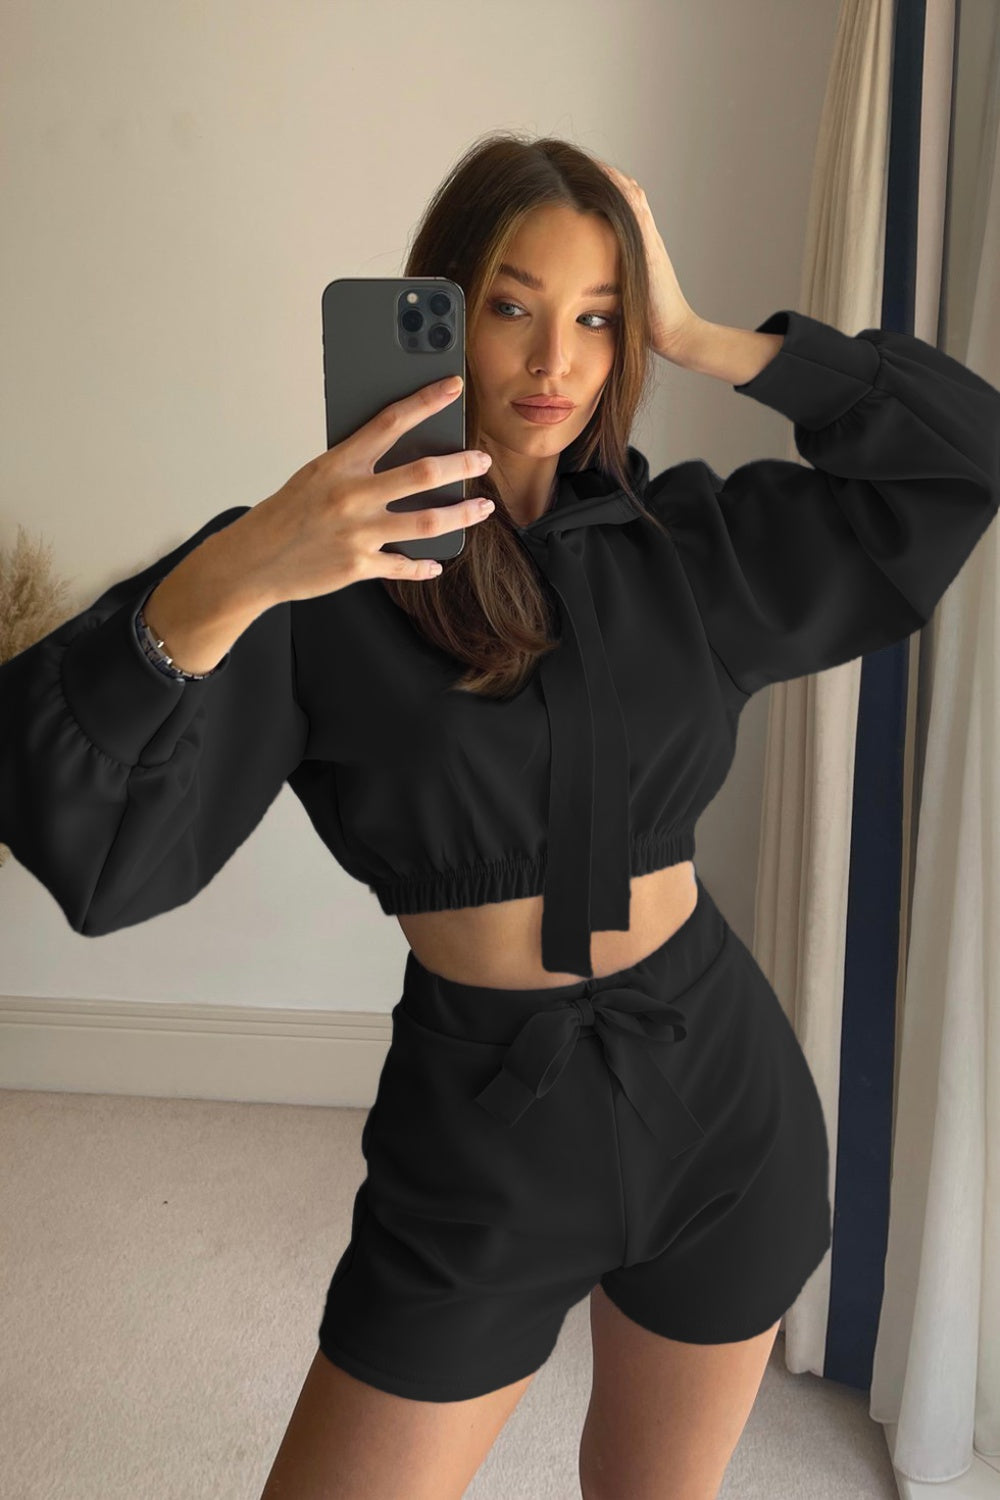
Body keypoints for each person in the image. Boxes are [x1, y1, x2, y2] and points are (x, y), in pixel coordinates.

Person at [2, 132, 999, 1500]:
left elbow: (962, 459)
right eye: (513, 306)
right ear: (441, 309)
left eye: (599, 317)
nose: (554, 363)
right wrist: (242, 568)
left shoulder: (687, 549)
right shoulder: (317, 575)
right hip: (485, 1130)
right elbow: (91, 833)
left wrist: (703, 336)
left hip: (723, 1097)